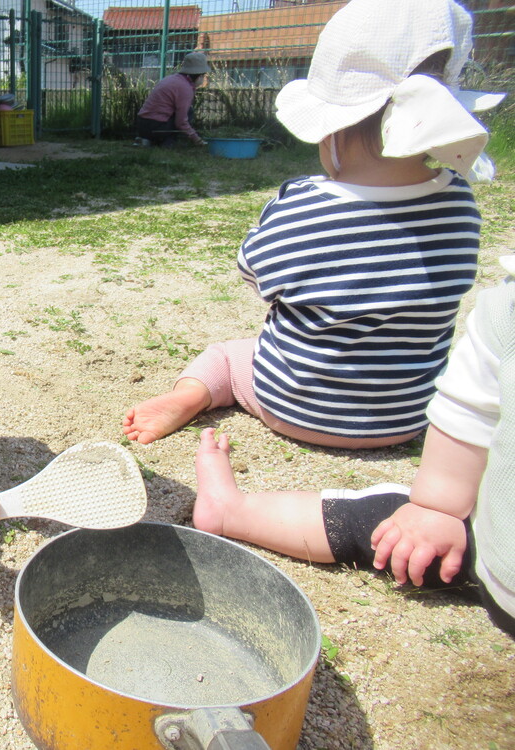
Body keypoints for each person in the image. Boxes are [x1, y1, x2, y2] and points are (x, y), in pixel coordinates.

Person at [124, 0, 502, 450]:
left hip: (296, 407)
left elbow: (253, 272)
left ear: (333, 131)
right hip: (408, 416)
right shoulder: (460, 202)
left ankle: (189, 395)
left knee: (226, 356)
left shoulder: (305, 203)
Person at [191, 254, 515, 639]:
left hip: (498, 569)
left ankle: (233, 511)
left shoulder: (505, 311)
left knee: (383, 523)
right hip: (499, 568)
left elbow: (469, 410)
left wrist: (438, 507)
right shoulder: (460, 215)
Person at [135, 51, 209, 147]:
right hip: (157, 127)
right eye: (203, 76)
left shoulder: (172, 79)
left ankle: (147, 140)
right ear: (199, 76)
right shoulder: (185, 88)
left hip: (142, 124)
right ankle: (167, 142)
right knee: (188, 112)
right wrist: (197, 139)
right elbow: (181, 122)